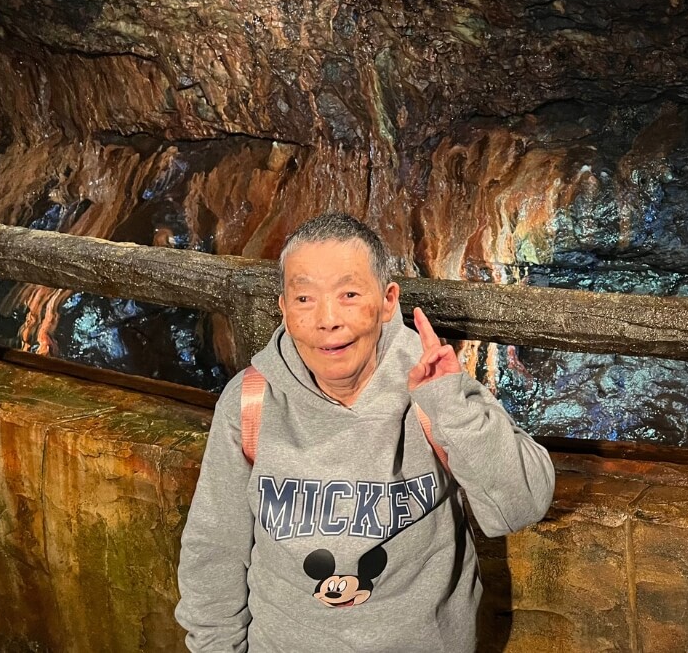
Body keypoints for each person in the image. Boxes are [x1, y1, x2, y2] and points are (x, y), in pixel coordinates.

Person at [175, 213, 556, 652]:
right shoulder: (251, 400)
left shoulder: (431, 387)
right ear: (283, 307)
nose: (327, 319)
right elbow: (215, 546)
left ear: (388, 300)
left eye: (349, 294)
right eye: (304, 299)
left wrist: (450, 404)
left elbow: (522, 504)